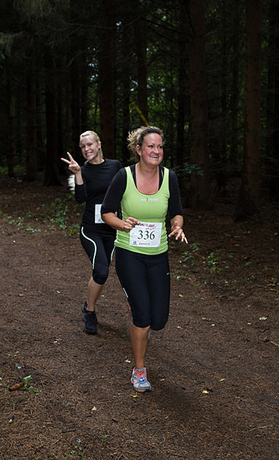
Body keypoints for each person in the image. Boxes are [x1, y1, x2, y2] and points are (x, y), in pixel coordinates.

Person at [101, 126, 187, 392]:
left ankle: (143, 317)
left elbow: (176, 211)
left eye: (160, 147)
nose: (156, 151)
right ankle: (139, 370)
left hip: (158, 255)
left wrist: (177, 224)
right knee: (143, 317)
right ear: (138, 149)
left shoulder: (169, 177)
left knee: (158, 320)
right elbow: (106, 213)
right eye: (150, 146)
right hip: (129, 254)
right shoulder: (123, 176)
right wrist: (122, 224)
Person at [61, 131, 123, 334]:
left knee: (100, 272)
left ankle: (88, 306)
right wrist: (78, 173)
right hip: (91, 230)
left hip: (112, 229)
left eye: (90, 144)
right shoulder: (84, 170)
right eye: (83, 146)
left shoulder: (115, 166)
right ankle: (90, 311)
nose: (86, 149)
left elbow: (125, 192)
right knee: (102, 271)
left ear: (99, 144)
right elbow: (80, 198)